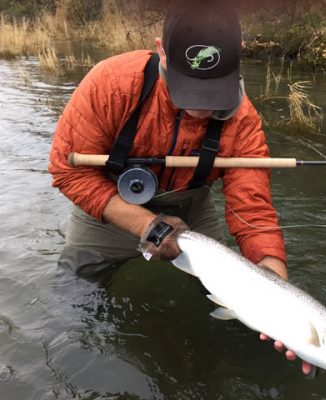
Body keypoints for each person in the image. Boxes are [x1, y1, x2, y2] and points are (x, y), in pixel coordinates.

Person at [49, 0, 312, 374]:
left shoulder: (244, 120)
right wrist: (147, 225)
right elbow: (67, 170)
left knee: (231, 310)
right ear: (161, 50)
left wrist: (279, 299)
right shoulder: (111, 84)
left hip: (191, 214)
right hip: (108, 206)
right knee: (72, 303)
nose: (201, 110)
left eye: (214, 93)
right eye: (189, 90)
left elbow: (253, 211)